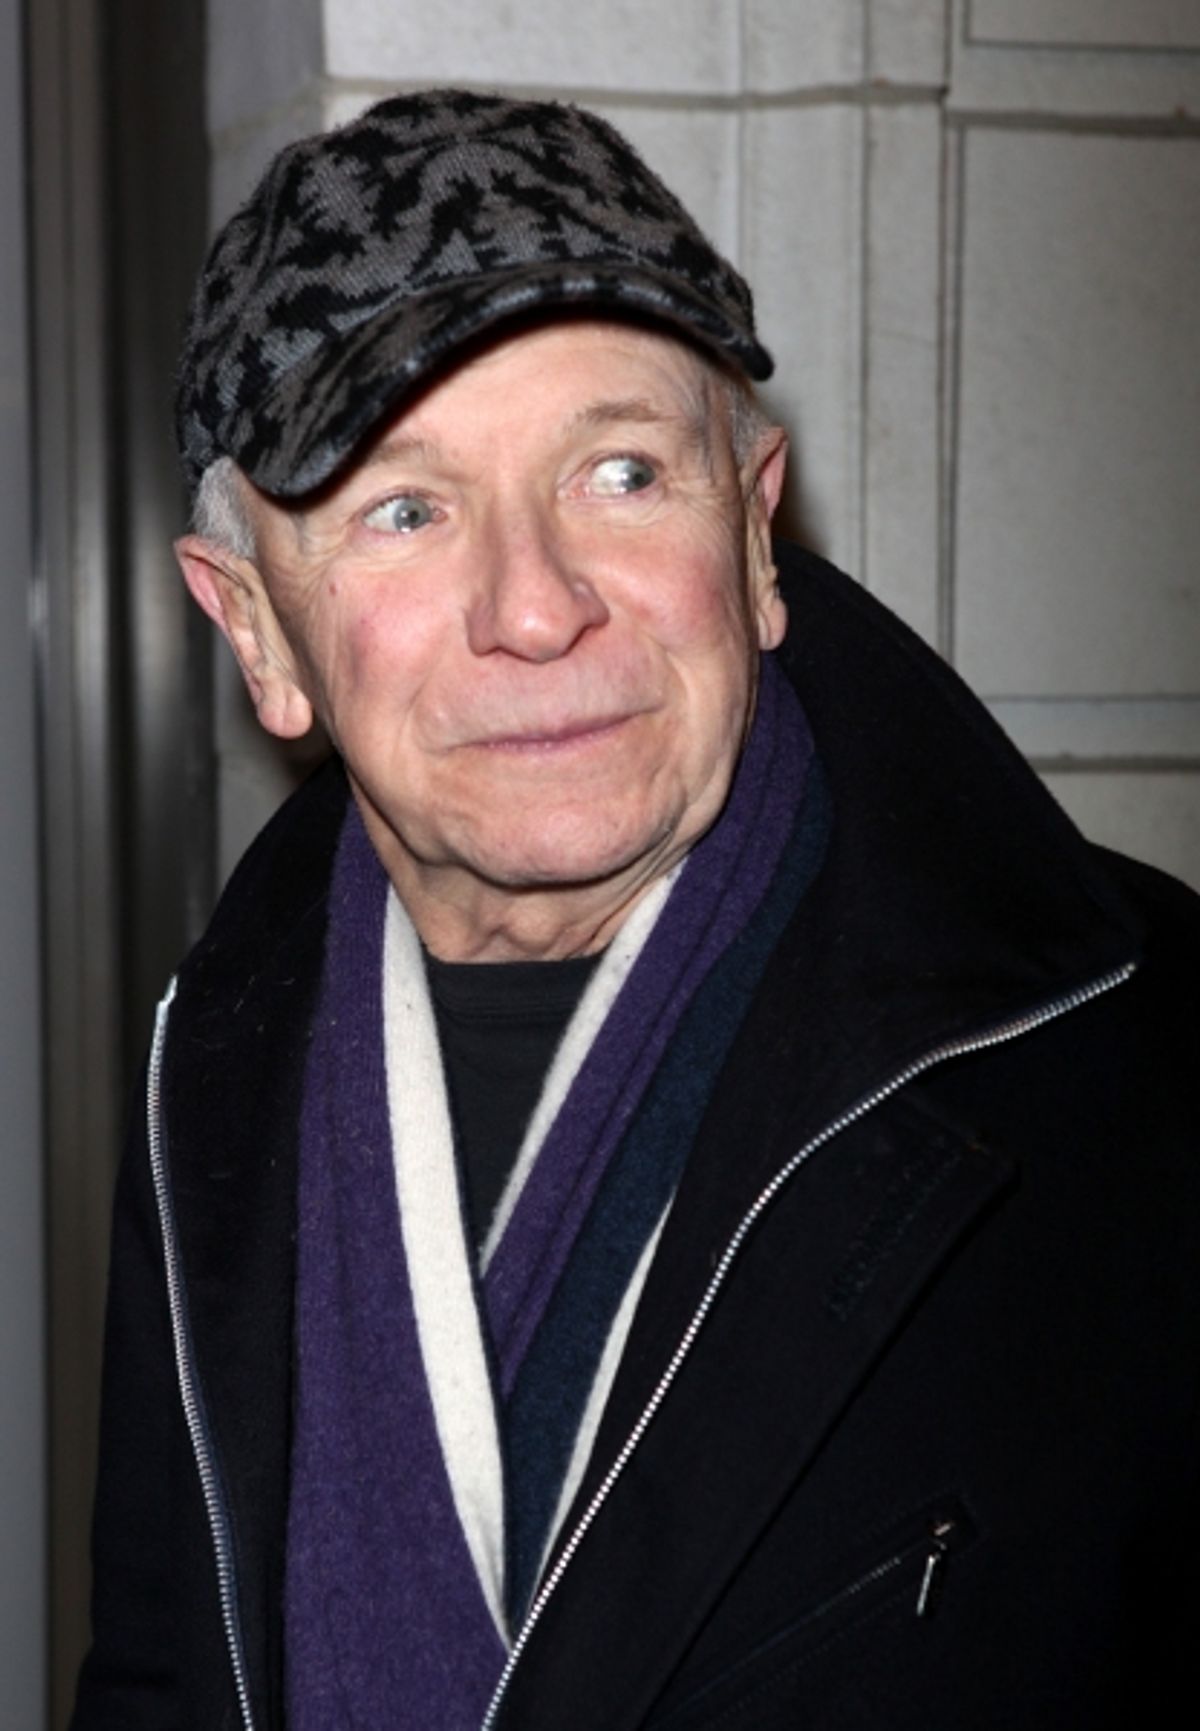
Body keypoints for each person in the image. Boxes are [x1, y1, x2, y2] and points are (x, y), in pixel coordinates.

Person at [72, 89, 1198, 1731]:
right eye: (406, 508)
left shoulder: (1135, 1054)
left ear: (752, 531)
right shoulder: (210, 1072)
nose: (536, 607)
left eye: (620, 471)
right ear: (257, 633)